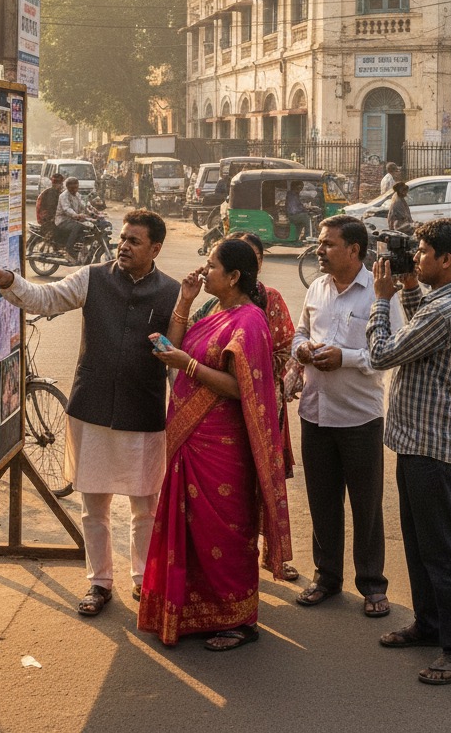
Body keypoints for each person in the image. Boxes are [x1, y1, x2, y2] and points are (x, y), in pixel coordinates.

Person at [0, 209, 180, 615]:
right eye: (122, 238)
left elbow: (178, 359)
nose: (123, 246)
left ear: (155, 249)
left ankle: (143, 579)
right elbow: (45, 298)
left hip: (144, 412)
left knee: (145, 507)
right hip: (92, 408)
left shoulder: (172, 293)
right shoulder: (92, 277)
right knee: (95, 505)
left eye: (134, 241)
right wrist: (12, 282)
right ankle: (99, 583)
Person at [139, 239, 292, 650]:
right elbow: (175, 348)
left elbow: (244, 389)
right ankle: (191, 609)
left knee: (224, 533)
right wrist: (185, 301)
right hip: (191, 439)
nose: (203, 272)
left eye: (210, 267)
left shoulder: (250, 322)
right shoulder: (214, 311)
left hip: (222, 448)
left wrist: (187, 365)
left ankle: (239, 620)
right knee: (190, 530)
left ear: (235, 276)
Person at [368, 219, 451, 686]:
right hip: (421, 440)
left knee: (441, 551)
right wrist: (410, 288)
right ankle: (430, 625)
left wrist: (381, 299)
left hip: (431, 445)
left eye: (422, 251)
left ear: (446, 260)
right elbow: (420, 329)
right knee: (418, 545)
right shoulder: (442, 300)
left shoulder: (445, 311)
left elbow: (383, 354)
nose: (414, 256)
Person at [292, 215, 390, 618]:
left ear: (354, 250)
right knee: (322, 501)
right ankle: (326, 577)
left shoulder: (380, 297)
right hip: (315, 413)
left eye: (328, 244)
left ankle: (372, 585)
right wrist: (302, 350)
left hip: (359, 418)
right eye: (320, 243)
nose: (320, 250)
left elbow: (385, 355)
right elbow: (300, 332)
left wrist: (343, 357)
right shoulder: (316, 287)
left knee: (366, 506)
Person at [191, 231, 300, 581]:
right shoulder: (210, 305)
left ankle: (266, 558)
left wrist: (251, 371)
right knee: (224, 504)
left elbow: (283, 350)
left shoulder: (263, 307)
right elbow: (192, 344)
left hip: (256, 409)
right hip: (209, 418)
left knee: (251, 492)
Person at [55, 177, 88, 261]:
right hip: (62, 220)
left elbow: (84, 205)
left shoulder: (77, 195)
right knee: (77, 226)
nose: (75, 190)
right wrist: (77, 215)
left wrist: (94, 212)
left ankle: (79, 248)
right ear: (68, 187)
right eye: (72, 188)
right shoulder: (63, 196)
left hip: (73, 220)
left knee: (87, 227)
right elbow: (67, 209)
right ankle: (69, 249)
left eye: (76, 187)